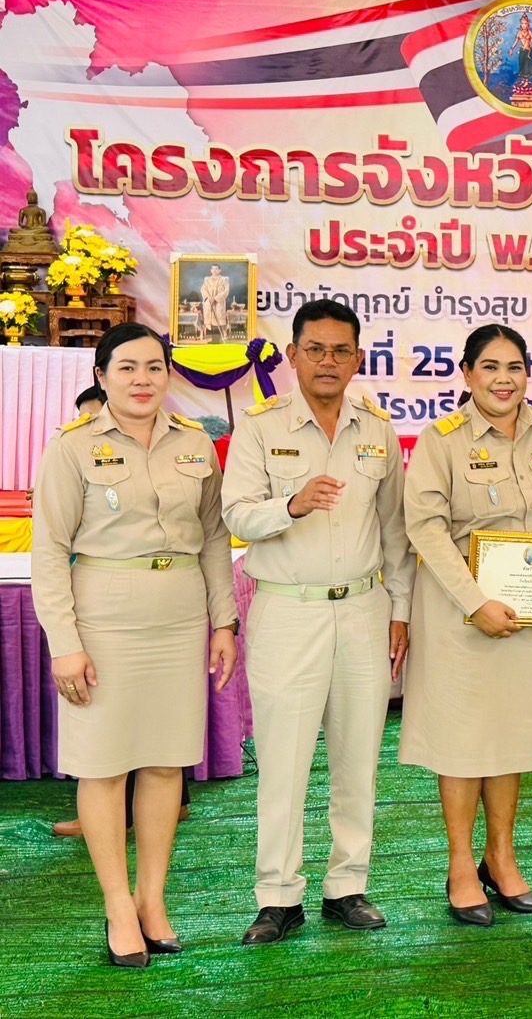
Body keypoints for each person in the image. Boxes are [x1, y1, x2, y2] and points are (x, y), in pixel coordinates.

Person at [32, 323, 238, 967]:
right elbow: (49, 551)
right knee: (103, 764)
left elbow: (213, 536)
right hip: (104, 618)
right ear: (101, 376)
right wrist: (64, 642)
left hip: (179, 614)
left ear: (168, 375)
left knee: (165, 763)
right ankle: (118, 906)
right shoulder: (71, 447)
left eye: (154, 367)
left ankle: (152, 899)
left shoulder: (195, 443)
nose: (142, 379)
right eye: (126, 368)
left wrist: (224, 622)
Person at [222, 299, 415, 945]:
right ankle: (278, 896)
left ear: (357, 358)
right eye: (315, 349)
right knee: (284, 762)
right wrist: (291, 504)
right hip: (288, 608)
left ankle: (347, 886)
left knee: (359, 759)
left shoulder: (377, 429)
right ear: (293, 356)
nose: (327, 361)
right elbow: (235, 514)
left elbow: (395, 531)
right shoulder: (260, 427)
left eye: (340, 351)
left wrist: (400, 610)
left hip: (363, 608)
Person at [399, 324, 532, 925]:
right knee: (463, 742)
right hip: (461, 617)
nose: (504, 380)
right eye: (490, 367)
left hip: (531, 617)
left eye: (514, 367)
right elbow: (425, 527)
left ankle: (501, 858)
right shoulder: (442, 440)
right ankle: (460, 865)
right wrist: (474, 601)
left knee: (512, 736)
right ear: (467, 374)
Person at [200, 265, 229, 345]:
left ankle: (218, 340)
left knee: (218, 321)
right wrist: (208, 297)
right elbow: (203, 289)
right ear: (211, 270)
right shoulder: (207, 280)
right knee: (211, 321)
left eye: (216, 269)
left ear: (220, 270)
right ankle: (213, 339)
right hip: (209, 303)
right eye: (213, 269)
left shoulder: (224, 280)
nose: (214, 270)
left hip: (219, 303)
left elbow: (226, 291)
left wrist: (215, 298)